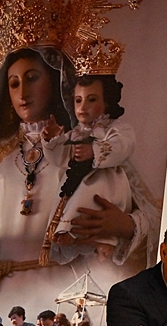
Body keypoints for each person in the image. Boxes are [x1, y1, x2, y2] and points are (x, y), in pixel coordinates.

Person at [0, 45, 160, 326]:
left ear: (57, 82)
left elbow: (153, 217)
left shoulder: (88, 147)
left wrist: (124, 225)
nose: (22, 92)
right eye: (14, 83)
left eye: (32, 78)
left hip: (65, 291)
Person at [47, 75, 136, 260]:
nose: (82, 107)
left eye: (92, 99)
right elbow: (60, 158)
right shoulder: (75, 133)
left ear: (107, 102)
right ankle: (68, 230)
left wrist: (94, 150)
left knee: (89, 195)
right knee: (69, 198)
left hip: (106, 182)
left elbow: (123, 146)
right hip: (76, 179)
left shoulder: (116, 128)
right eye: (78, 100)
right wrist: (54, 140)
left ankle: (93, 238)